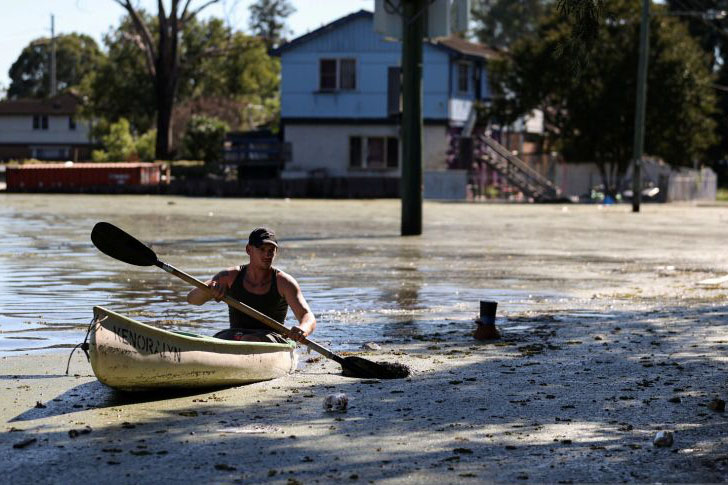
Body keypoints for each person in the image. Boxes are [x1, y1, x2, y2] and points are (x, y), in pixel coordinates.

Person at [187, 227, 316, 343]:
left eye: (271, 250)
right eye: (262, 249)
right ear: (249, 250)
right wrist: (208, 289)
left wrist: (302, 329)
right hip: (235, 335)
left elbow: (307, 316)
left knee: (248, 339)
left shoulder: (284, 282)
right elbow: (192, 300)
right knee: (215, 340)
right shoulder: (230, 276)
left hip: (271, 338)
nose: (267, 254)